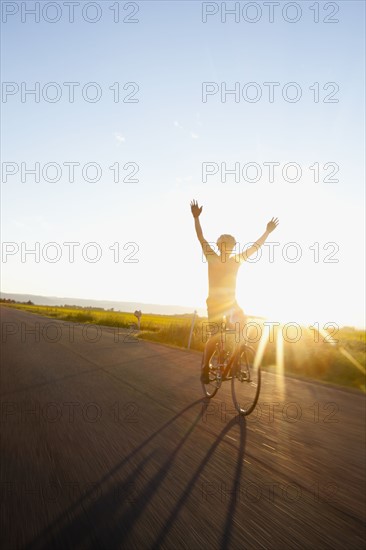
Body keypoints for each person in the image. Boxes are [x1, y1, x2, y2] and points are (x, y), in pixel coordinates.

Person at [190, 199, 279, 383]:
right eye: (224, 246)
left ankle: (235, 362)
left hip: (231, 304)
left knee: (241, 329)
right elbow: (201, 237)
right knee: (215, 337)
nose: (227, 249)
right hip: (214, 303)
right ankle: (205, 368)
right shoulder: (211, 257)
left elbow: (255, 248)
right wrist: (196, 218)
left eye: (230, 247)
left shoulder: (236, 261)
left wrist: (267, 232)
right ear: (219, 246)